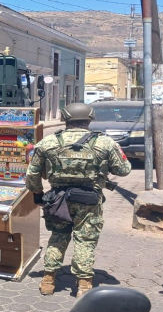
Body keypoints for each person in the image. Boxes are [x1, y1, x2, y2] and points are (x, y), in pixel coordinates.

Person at [26, 103, 131, 297]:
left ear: (65, 118)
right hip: (89, 201)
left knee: (58, 236)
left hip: (58, 200)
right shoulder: (105, 142)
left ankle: (48, 280)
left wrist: (37, 194)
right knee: (85, 240)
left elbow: (32, 173)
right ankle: (83, 285)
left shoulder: (48, 142)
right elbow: (124, 170)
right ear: (89, 119)